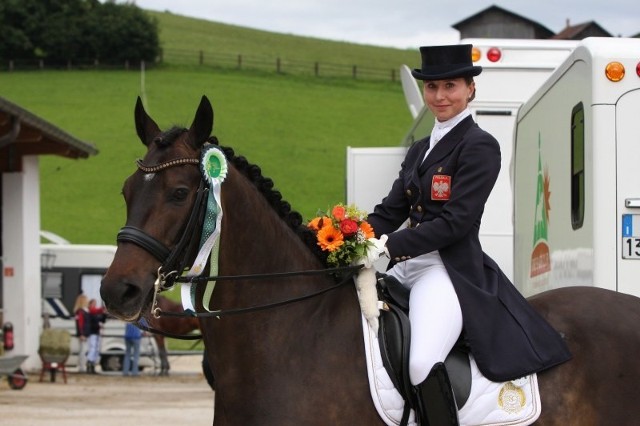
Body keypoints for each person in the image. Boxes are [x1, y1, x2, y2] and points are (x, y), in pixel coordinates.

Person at [366, 44, 571, 425]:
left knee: (423, 361)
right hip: (403, 267)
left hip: (446, 270)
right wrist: (347, 236)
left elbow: (455, 223)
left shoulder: (479, 146)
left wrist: (387, 244)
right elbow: (389, 211)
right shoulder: (419, 151)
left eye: (450, 86)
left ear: (469, 89)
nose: (440, 96)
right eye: (432, 88)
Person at [86, 299, 106, 374]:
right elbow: (95, 311)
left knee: (96, 349)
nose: (94, 305)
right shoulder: (90, 312)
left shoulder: (95, 313)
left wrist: (104, 314)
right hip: (92, 332)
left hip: (96, 332)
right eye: (93, 303)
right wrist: (102, 309)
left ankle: (92, 365)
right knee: (92, 348)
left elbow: (102, 320)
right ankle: (89, 362)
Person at [73, 292, 90, 373]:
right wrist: (81, 334)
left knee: (83, 351)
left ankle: (82, 366)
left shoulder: (82, 311)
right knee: (83, 351)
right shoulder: (81, 311)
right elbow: (80, 324)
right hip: (83, 334)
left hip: (84, 334)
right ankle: (82, 367)